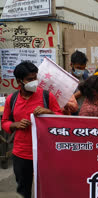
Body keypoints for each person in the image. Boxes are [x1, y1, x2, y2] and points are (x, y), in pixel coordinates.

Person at [1, 61, 62, 198]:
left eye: (35, 78)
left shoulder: (47, 96)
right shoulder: (12, 99)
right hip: (21, 154)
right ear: (19, 81)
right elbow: (4, 122)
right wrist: (15, 125)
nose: (34, 82)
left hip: (45, 152)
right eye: (30, 79)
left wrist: (49, 112)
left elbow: (60, 117)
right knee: (23, 190)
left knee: (47, 188)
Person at [70, 50, 90, 114]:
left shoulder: (86, 77)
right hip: (72, 113)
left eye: (83, 68)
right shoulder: (66, 79)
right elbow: (64, 101)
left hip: (85, 112)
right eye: (78, 68)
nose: (81, 70)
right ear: (71, 64)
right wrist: (80, 92)